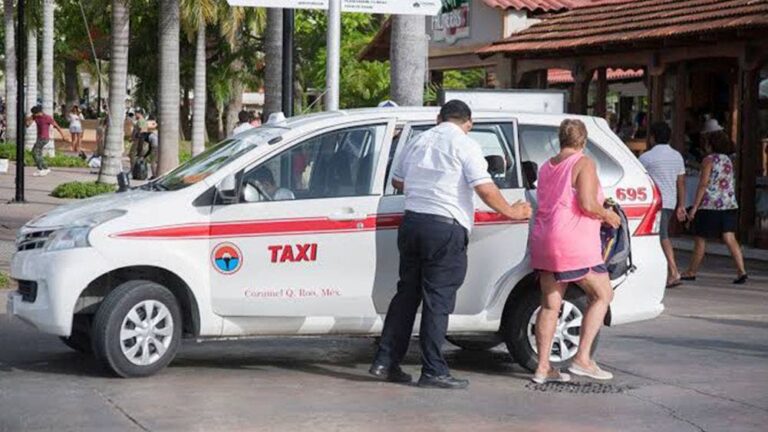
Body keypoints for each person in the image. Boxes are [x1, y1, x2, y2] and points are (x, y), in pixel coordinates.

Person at [369, 100, 532, 389]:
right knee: (437, 301)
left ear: (438, 118)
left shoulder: (418, 141)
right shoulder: (465, 145)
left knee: (406, 295)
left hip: (412, 223)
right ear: (468, 123)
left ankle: (385, 361)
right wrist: (513, 211)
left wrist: (428, 184)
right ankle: (433, 370)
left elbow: (397, 181)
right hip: (444, 229)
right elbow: (485, 188)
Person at [529, 119, 621, 384]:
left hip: (544, 239)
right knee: (603, 294)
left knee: (550, 305)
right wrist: (608, 215)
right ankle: (582, 359)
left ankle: (543, 367)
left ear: (560, 139)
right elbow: (587, 204)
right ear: (584, 140)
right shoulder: (584, 163)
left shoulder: (547, 166)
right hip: (573, 242)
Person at [682, 130, 748, 284]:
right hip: (728, 203)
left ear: (710, 145)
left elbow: (703, 184)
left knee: (700, 238)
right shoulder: (728, 160)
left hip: (710, 204)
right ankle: (741, 270)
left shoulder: (709, 160)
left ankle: (691, 271)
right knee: (729, 237)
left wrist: (695, 207)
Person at [639, 122, 687, 288]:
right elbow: (681, 183)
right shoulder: (677, 156)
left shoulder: (646, 157)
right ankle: (666, 271)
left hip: (655, 202)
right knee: (660, 235)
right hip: (671, 201)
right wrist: (682, 205)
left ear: (652, 137)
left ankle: (673, 271)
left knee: (662, 236)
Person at [25, 105, 69, 177]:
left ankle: (41, 169)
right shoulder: (35, 117)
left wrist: (63, 136)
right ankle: (45, 168)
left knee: (34, 152)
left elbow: (57, 126)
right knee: (38, 153)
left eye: (35, 113)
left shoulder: (47, 118)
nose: (34, 115)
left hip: (44, 138)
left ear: (39, 112)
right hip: (39, 138)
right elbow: (27, 125)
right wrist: (27, 120)